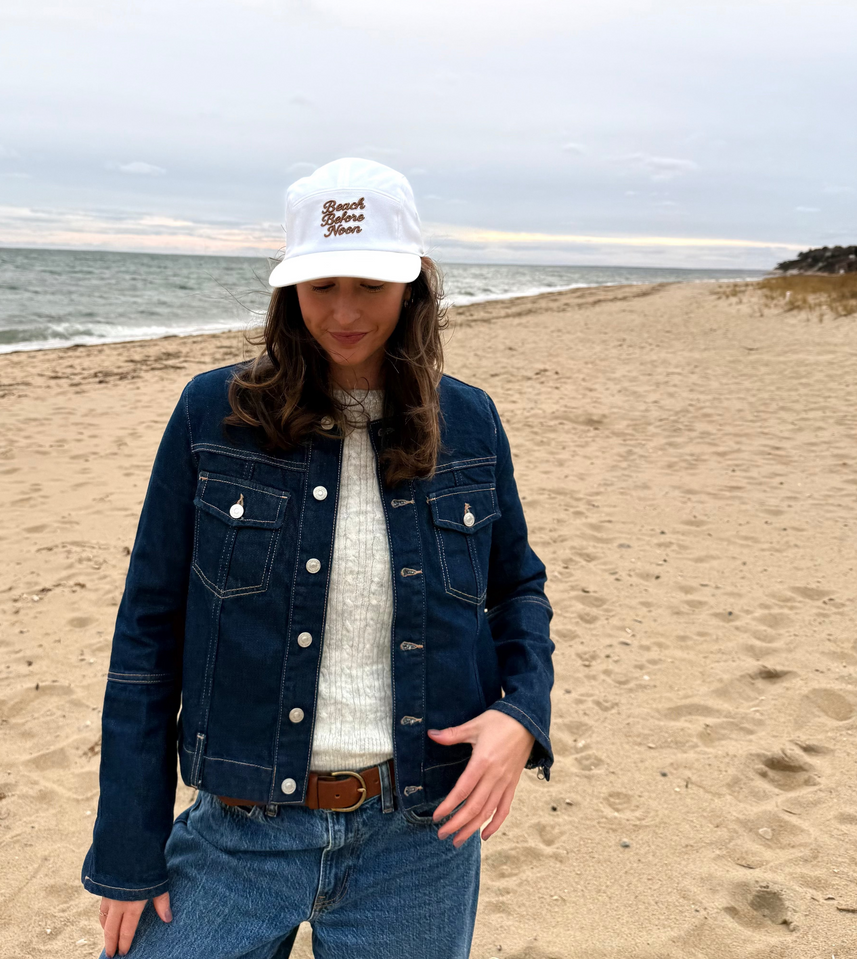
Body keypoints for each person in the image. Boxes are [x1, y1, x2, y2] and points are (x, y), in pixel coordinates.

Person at [81, 158, 556, 959]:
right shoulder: (212, 415)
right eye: (320, 285)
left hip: (419, 839)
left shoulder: (470, 423)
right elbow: (147, 630)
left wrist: (523, 717)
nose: (343, 312)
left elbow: (518, 589)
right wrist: (127, 852)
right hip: (238, 829)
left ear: (413, 285)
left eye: (369, 284)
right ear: (288, 289)